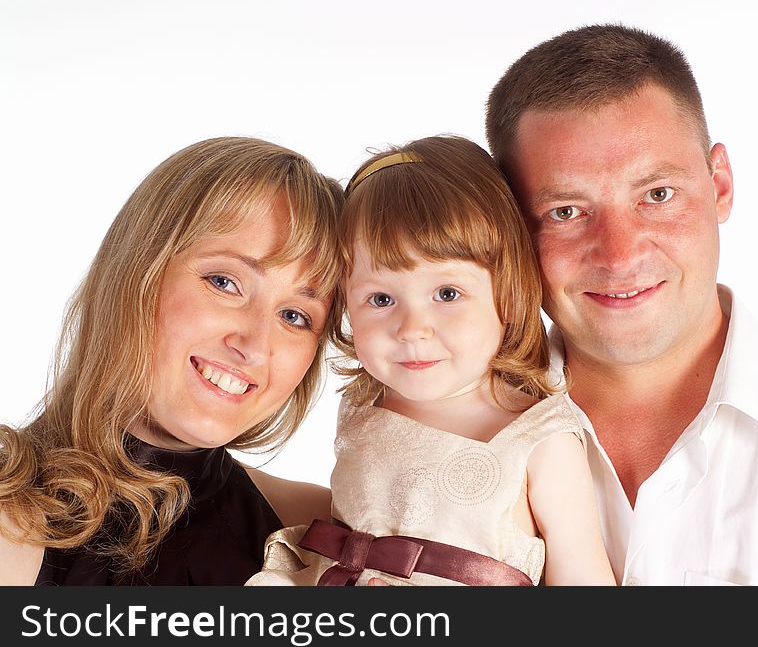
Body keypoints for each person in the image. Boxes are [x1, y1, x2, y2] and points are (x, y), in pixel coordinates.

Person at [485, 24, 758, 585]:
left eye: (657, 195)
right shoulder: (453, 428)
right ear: (510, 229)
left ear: (719, 185)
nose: (620, 256)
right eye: (567, 212)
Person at [246, 135, 615, 586]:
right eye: (380, 298)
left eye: (447, 293)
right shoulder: (365, 405)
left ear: (507, 292)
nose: (412, 328)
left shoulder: (540, 440)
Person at [0, 136, 341, 585]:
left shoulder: (320, 535)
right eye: (225, 282)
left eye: (295, 316)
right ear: (135, 271)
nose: (256, 346)